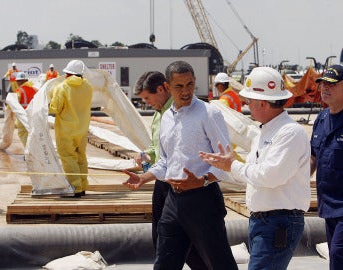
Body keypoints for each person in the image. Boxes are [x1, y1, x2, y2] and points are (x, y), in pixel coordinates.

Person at [123, 61, 237, 270]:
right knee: (165, 263)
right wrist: (143, 178)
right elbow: (166, 161)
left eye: (190, 84)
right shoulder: (167, 118)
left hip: (203, 200)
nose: (186, 91)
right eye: (179, 86)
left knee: (220, 263)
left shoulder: (209, 114)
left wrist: (202, 181)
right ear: (167, 86)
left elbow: (225, 161)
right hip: (173, 201)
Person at [200, 66, 311, 270]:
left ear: (263, 103)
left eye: (250, 101)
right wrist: (220, 170)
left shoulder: (290, 133)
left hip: (278, 222)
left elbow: (269, 177)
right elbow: (252, 174)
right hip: (265, 221)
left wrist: (231, 165)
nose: (247, 105)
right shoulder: (265, 132)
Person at [132, 71, 208, 269]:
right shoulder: (160, 115)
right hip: (162, 180)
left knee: (179, 238)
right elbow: (159, 149)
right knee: (162, 236)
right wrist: (144, 157)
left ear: (160, 89)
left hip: (180, 183)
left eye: (148, 98)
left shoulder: (178, 113)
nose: (148, 103)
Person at [311, 64, 343, 270]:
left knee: (338, 254)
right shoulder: (321, 119)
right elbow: (313, 158)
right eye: (323, 83)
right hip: (328, 206)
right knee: (335, 258)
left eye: (331, 84)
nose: (325, 88)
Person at [49, 60, 93, 198]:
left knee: (68, 158)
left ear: (67, 73)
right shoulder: (88, 87)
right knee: (81, 157)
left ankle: (75, 188)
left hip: (66, 129)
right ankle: (83, 186)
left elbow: (55, 108)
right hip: (82, 128)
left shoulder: (61, 87)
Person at [14, 72, 38, 146]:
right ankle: (34, 150)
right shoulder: (35, 89)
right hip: (34, 115)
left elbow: (14, 103)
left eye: (19, 81)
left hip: (23, 115)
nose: (18, 82)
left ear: (24, 81)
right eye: (17, 81)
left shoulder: (19, 91)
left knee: (23, 133)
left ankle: (29, 151)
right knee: (32, 133)